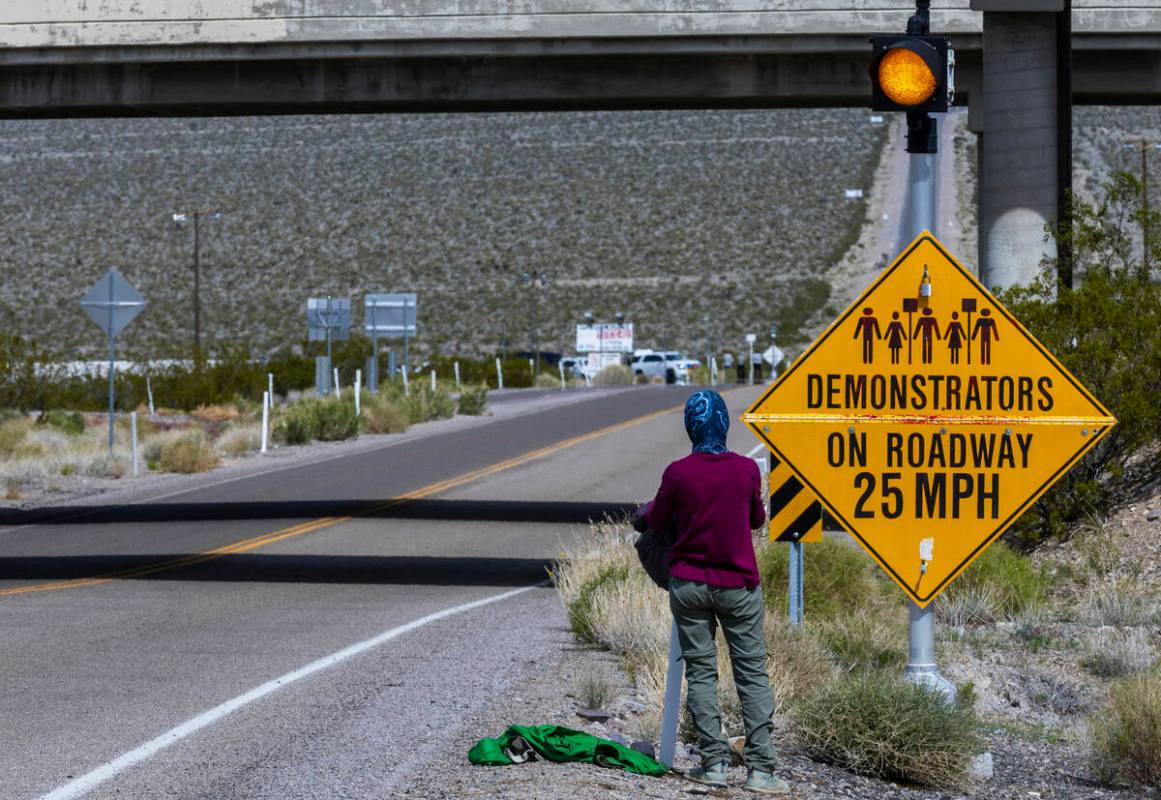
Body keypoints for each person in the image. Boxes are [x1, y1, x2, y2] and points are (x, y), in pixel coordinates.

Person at [644, 390, 790, 795]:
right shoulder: (745, 470)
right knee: (752, 674)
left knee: (703, 673)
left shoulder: (677, 473)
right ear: (724, 423)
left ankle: (714, 765)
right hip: (739, 588)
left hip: (690, 587)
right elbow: (757, 519)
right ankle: (761, 772)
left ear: (691, 425)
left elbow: (655, 518)